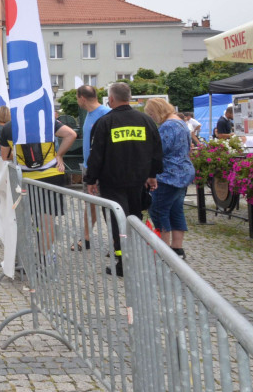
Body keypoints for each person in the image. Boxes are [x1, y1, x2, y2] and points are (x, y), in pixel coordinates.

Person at [85, 82, 163, 277]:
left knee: (117, 221)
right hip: (138, 182)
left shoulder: (105, 122)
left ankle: (123, 263)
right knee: (134, 219)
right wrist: (152, 175)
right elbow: (156, 151)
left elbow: (96, 155)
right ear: (129, 97)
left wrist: (91, 180)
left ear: (111, 99)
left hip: (112, 182)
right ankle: (134, 258)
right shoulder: (146, 120)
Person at [0, 108, 76, 256]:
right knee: (47, 221)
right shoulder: (46, 121)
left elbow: (4, 156)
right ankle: (45, 257)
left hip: (25, 180)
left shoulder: (9, 127)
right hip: (51, 176)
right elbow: (71, 135)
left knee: (26, 219)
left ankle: (26, 257)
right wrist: (59, 155)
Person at [144, 98, 195, 259]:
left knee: (159, 210)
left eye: (151, 114)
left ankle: (163, 250)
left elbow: (159, 151)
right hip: (184, 172)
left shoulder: (167, 126)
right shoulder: (180, 122)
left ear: (157, 111)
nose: (152, 118)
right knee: (176, 210)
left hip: (168, 175)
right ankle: (177, 248)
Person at [74, 85, 110, 250]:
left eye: (77, 98)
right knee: (89, 203)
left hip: (102, 168)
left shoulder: (105, 113)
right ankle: (86, 238)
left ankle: (117, 243)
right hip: (88, 167)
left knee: (108, 206)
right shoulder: (89, 114)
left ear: (82, 97)